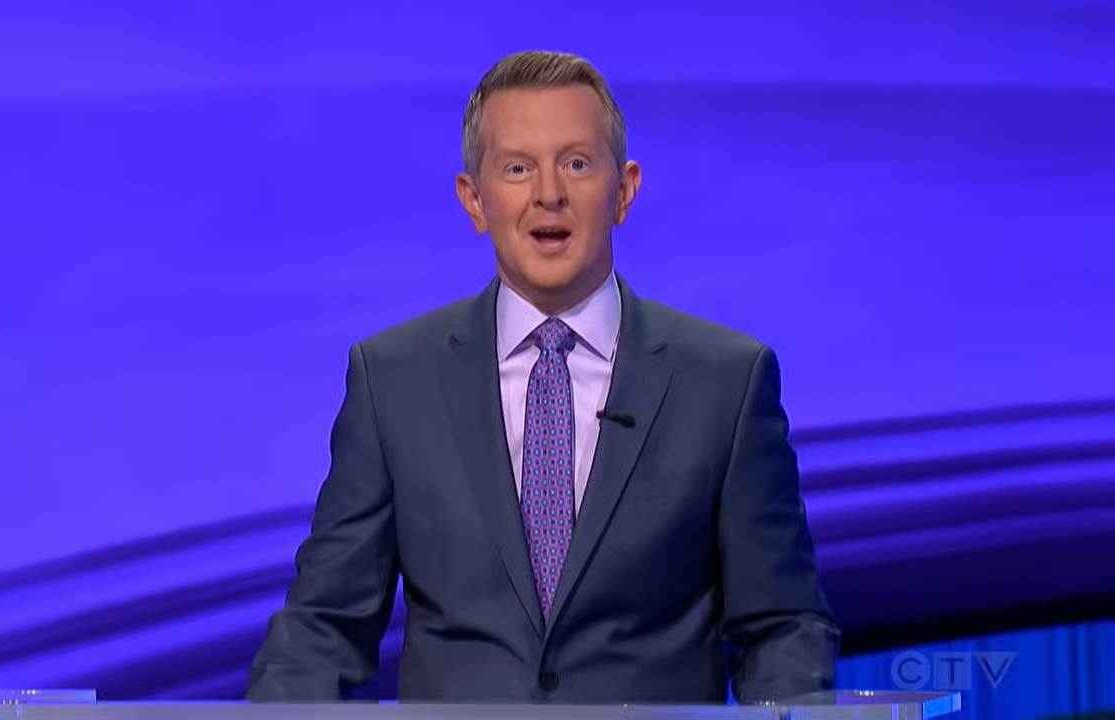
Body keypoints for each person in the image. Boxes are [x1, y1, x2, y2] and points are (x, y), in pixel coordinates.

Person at [246, 49, 840, 705]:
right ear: (474, 200)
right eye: (517, 168)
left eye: (577, 163)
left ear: (624, 190)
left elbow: (782, 629)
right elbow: (322, 630)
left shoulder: (726, 383)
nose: (548, 193)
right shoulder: (393, 381)